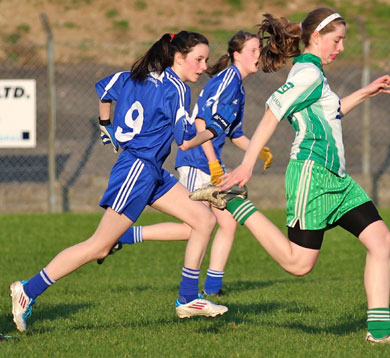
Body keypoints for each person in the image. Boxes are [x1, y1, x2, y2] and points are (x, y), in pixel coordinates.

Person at [190, 9, 390, 344]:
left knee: (381, 241)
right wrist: (246, 166)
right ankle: (235, 203)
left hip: (338, 181)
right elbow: (272, 112)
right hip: (312, 176)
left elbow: (330, 113)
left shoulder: (315, 73)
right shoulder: (306, 73)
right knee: (298, 264)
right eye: (337, 40)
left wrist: (367, 91)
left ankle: (379, 333)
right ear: (316, 37)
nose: (342, 47)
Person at [9, 31, 228, 332]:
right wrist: (215, 129)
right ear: (178, 58)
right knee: (98, 246)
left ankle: (188, 298)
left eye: (205, 60)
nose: (203, 67)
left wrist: (105, 126)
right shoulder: (176, 89)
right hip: (137, 171)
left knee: (203, 220)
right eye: (199, 59)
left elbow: (104, 90)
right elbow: (187, 142)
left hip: (150, 170)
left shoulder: (137, 75)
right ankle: (27, 290)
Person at [102, 31, 273, 297]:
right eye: (253, 50)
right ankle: (194, 289)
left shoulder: (237, 86)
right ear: (236, 54)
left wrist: (257, 150)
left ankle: (203, 291)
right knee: (199, 225)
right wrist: (214, 164)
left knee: (211, 223)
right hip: (199, 161)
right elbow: (202, 123)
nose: (258, 55)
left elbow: (232, 132)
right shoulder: (226, 80)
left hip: (202, 159)